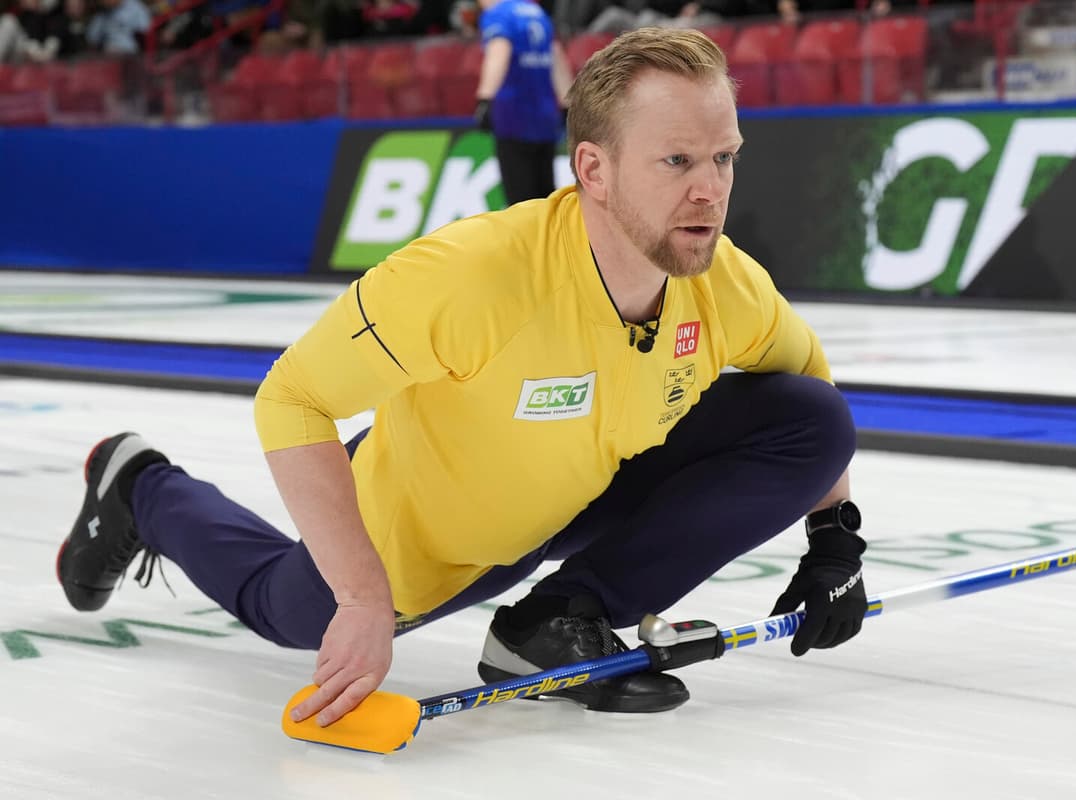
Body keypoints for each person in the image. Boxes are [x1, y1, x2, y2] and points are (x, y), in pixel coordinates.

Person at [56, 26, 867, 730]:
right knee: (281, 606)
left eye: (724, 157)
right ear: (595, 168)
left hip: (577, 491)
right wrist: (364, 599)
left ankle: (557, 618)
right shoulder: (473, 276)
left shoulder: (722, 281)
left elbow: (808, 399)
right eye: (678, 160)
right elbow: (292, 400)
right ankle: (143, 487)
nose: (710, 190)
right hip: (429, 538)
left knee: (811, 417)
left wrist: (836, 541)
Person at [472, 0, 572, 205]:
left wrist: (485, 98)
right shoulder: (536, 12)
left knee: (521, 200)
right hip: (545, 119)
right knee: (546, 196)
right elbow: (556, 56)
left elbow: (499, 50)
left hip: (514, 117)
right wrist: (567, 102)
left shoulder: (498, 14)